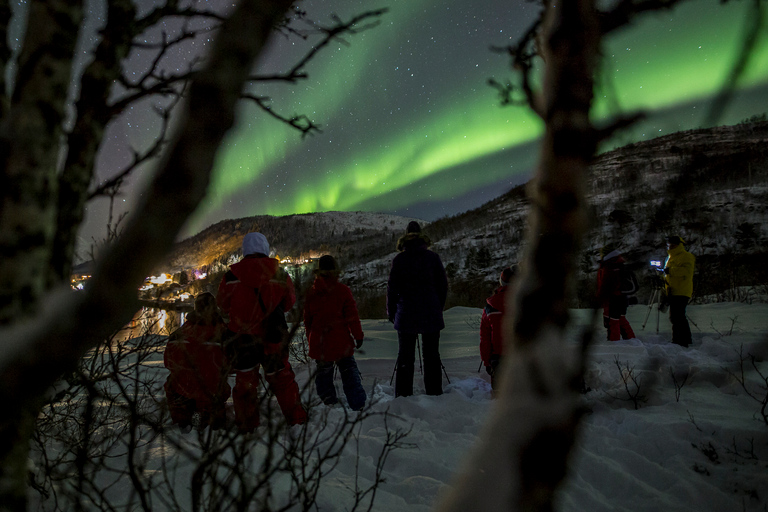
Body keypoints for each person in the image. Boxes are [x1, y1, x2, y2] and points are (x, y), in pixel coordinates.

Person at [216, 232, 307, 432]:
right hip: (272, 336)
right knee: (282, 379)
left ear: (245, 250)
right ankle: (296, 419)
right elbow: (289, 302)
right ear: (265, 249)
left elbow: (222, 304)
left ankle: (247, 426)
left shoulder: (231, 277)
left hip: (242, 339)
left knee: (245, 383)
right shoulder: (280, 274)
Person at [386, 221, 448, 397]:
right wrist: (438, 307)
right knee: (431, 356)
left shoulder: (399, 260)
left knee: (405, 357)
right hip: (431, 313)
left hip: (406, 314)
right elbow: (442, 286)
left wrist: (392, 313)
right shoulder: (433, 258)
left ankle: (404, 395)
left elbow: (392, 289)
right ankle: (434, 392)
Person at [303, 255, 366, 411]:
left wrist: (311, 339)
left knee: (324, 374)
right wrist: (358, 336)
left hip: (320, 342)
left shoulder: (311, 293)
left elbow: (307, 321)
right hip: (341, 341)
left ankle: (328, 402)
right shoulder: (343, 291)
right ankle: (357, 403)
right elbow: (352, 317)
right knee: (349, 371)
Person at [164, 292, 230, 431]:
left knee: (172, 382)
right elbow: (232, 363)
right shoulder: (224, 334)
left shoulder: (179, 334)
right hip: (213, 391)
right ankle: (212, 417)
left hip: (183, 390)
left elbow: (168, 362)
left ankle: (182, 420)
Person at [480, 267, 514, 392]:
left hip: (499, 361)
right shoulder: (530, 303)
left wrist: (487, 362)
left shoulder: (490, 306)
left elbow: (485, 338)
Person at [596, 249, 636, 341]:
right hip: (621, 298)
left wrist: (600, 297)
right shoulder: (617, 264)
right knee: (621, 320)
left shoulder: (609, 266)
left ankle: (614, 344)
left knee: (612, 322)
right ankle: (632, 341)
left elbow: (604, 284)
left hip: (613, 299)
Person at [662, 235, 695, 347]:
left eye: (673, 245)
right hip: (672, 291)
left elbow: (686, 271)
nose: (670, 246)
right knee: (678, 316)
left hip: (682, 290)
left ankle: (680, 341)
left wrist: (670, 270)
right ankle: (685, 339)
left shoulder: (686, 256)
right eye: (669, 244)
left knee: (677, 317)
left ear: (679, 245)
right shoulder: (670, 258)